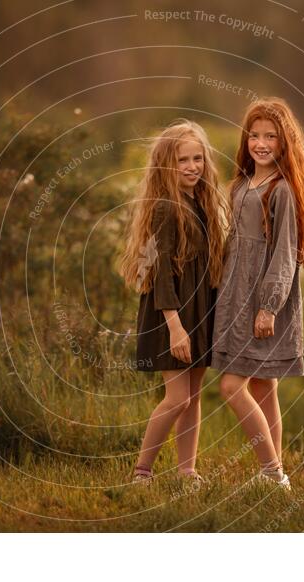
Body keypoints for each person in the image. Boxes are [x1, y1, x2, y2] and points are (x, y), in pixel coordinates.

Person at [212, 98, 304, 489]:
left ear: (285, 143)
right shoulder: (242, 184)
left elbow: (284, 253)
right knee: (264, 387)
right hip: (234, 296)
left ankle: (272, 473)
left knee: (232, 387)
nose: (261, 142)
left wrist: (268, 307)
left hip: (262, 302)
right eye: (255, 134)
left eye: (271, 136)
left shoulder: (281, 191)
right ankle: (274, 475)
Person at [118, 120, 228, 484]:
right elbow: (161, 273)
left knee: (194, 398)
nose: (192, 166)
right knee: (178, 397)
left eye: (198, 158)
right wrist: (176, 327)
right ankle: (142, 472)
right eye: (183, 160)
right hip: (172, 315)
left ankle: (187, 472)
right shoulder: (166, 206)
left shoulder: (200, 201)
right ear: (167, 164)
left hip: (198, 311)